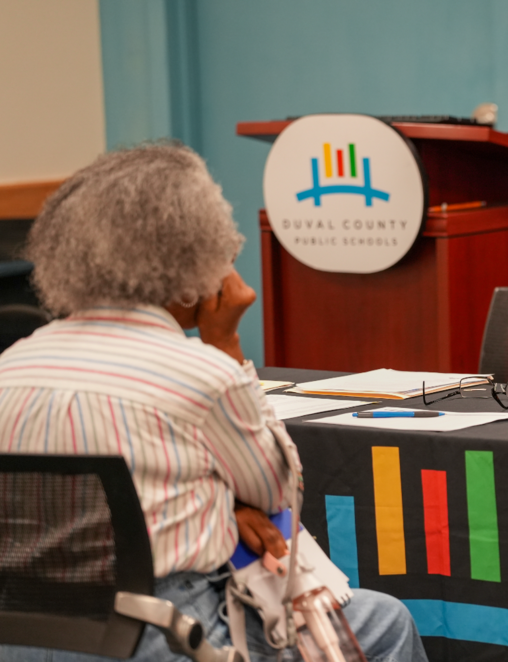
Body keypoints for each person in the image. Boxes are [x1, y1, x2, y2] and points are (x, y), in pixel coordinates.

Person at [0, 143, 427, 662]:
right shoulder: (202, 375)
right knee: (384, 622)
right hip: (162, 636)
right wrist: (224, 345)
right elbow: (279, 495)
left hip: (21, 637)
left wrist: (222, 508)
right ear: (197, 261)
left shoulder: (11, 365)